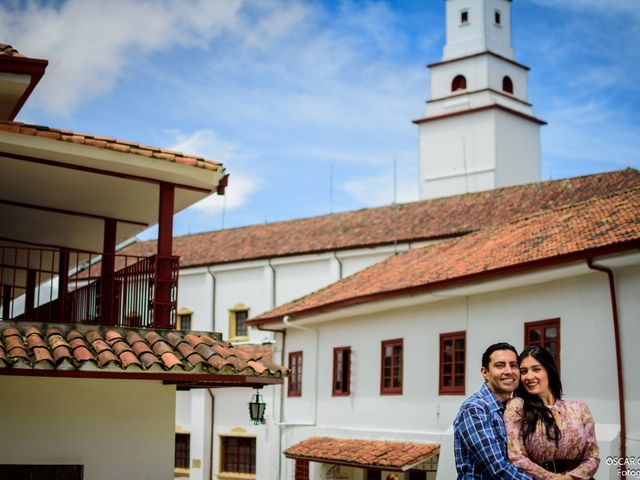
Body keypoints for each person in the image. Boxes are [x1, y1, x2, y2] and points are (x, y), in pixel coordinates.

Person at [504, 346, 600, 480]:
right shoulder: (517, 407)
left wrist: (570, 478)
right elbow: (516, 456)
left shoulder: (578, 408)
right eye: (524, 371)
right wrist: (553, 479)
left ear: (549, 370)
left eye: (536, 369)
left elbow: (592, 457)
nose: (529, 376)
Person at [454, 342, 532, 479]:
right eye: (500, 365)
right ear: (485, 372)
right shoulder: (475, 409)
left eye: (513, 365)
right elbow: (497, 468)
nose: (509, 371)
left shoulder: (513, 409)